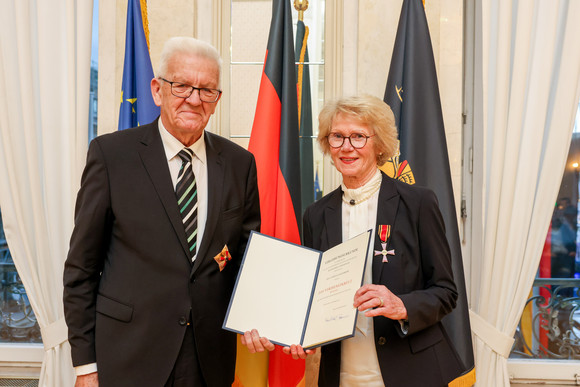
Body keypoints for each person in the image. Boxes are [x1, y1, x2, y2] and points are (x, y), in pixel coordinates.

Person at [63, 37, 260, 387]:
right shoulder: (111, 156)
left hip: (208, 361)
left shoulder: (239, 164)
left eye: (207, 90)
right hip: (128, 358)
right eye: (182, 85)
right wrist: (85, 366)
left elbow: (247, 260)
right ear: (157, 90)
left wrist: (267, 315)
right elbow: (81, 268)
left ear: (217, 100)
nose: (194, 99)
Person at [298, 95, 464, 386]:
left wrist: (402, 305)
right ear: (327, 143)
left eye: (359, 137)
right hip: (340, 374)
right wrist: (301, 331)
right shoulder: (316, 215)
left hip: (411, 371)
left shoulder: (418, 203)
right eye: (337, 136)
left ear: (379, 144)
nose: (346, 147)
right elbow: (315, 296)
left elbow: (446, 291)